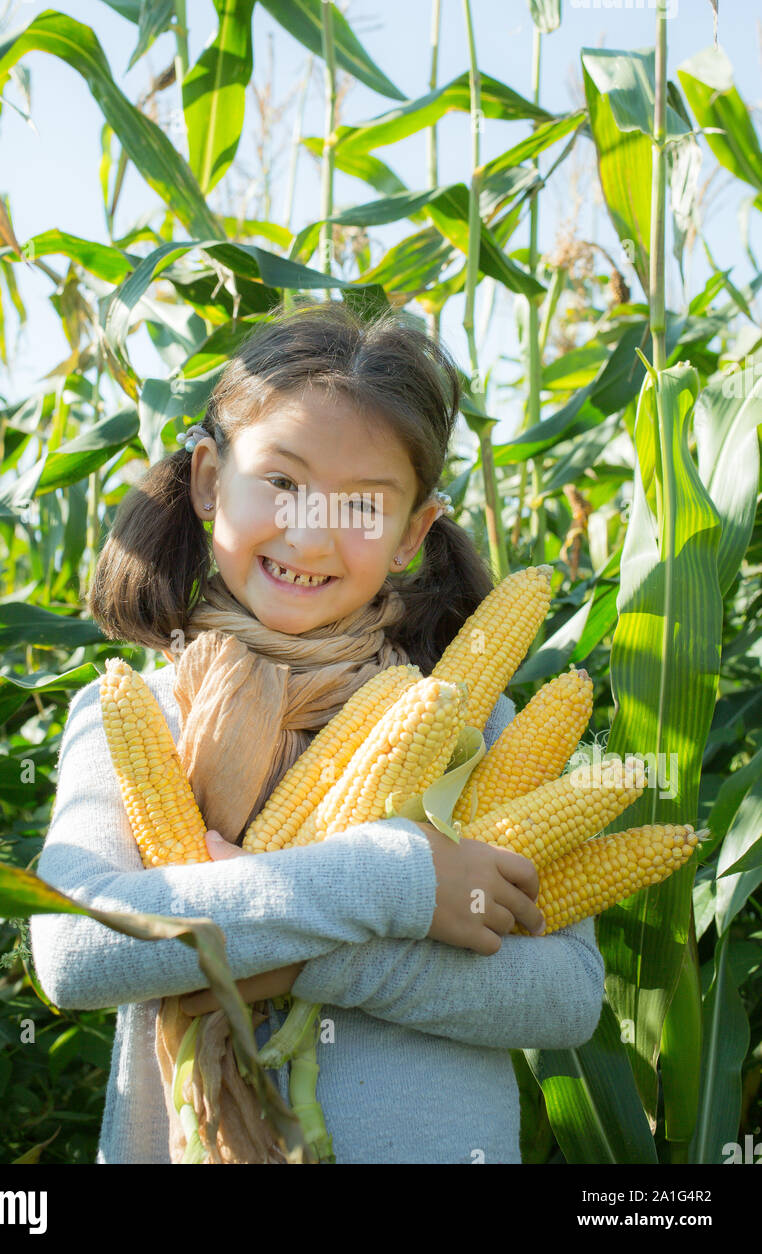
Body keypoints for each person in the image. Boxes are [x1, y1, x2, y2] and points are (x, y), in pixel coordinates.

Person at [30, 300, 604, 1165]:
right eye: (282, 482)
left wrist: (301, 958)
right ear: (206, 481)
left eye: (365, 506)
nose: (310, 532)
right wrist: (400, 885)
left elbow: (564, 997)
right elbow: (78, 947)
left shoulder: (474, 721)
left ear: (416, 532)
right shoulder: (138, 712)